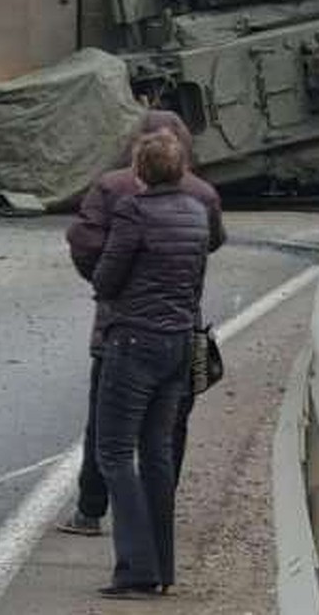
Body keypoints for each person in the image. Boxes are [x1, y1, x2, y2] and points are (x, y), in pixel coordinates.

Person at [59, 111, 225, 537]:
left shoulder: (110, 188)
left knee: (106, 424)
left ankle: (91, 510)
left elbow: (84, 242)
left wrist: (109, 288)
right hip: (182, 323)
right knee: (170, 428)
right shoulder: (203, 195)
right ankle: (159, 513)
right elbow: (213, 242)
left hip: (121, 327)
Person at [89, 129, 212, 598]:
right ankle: (162, 566)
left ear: (139, 170)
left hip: (134, 340)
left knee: (115, 453)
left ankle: (135, 568)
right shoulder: (197, 214)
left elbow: (107, 278)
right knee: (157, 453)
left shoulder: (133, 212)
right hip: (178, 340)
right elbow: (197, 280)